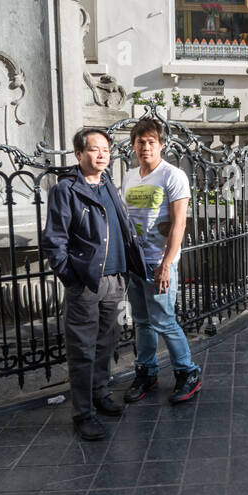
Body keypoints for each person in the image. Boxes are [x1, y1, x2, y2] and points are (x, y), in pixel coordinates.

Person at [41, 127, 150, 441]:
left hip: (116, 280)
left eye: (106, 149)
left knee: (107, 344)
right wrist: (71, 277)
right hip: (86, 283)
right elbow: (54, 242)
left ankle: (101, 394)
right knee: (82, 351)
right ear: (79, 154)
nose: (102, 154)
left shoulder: (108, 184)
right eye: (94, 149)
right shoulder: (66, 190)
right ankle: (83, 413)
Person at [121, 118, 203, 406]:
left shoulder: (173, 175)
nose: (145, 147)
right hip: (135, 262)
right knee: (142, 321)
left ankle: (187, 372)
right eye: (140, 142)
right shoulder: (129, 177)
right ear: (133, 145)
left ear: (161, 145)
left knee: (164, 320)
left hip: (159, 262)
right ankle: (147, 372)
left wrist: (167, 263)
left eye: (151, 142)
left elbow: (180, 223)